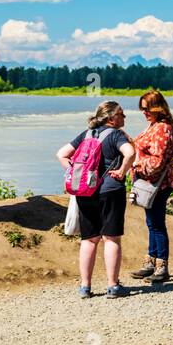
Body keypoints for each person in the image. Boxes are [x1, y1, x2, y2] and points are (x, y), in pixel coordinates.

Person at [56, 101, 135, 299]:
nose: (124, 118)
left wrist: (74, 174)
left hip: (85, 192)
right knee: (111, 238)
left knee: (89, 240)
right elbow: (131, 153)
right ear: (111, 118)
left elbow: (61, 154)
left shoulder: (86, 134)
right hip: (110, 190)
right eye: (121, 114)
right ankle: (113, 286)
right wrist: (123, 171)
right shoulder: (116, 135)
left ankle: (85, 287)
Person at [129, 89, 173, 283]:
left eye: (147, 108)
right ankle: (151, 262)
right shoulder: (154, 125)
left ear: (158, 108)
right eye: (142, 109)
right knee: (152, 223)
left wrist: (137, 165)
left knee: (157, 224)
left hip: (158, 184)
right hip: (149, 183)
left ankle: (161, 266)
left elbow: (158, 162)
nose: (144, 112)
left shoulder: (162, 129)